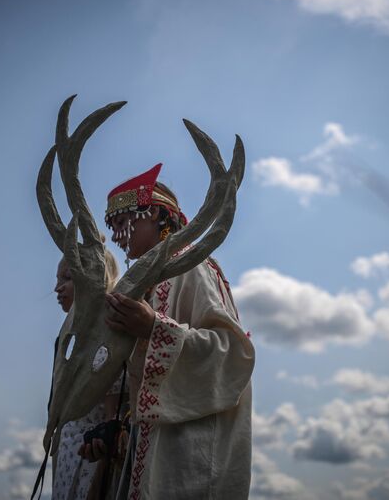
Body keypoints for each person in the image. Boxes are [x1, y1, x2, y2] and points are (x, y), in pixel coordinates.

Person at [80, 164, 255, 499]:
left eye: (122, 221)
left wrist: (153, 328)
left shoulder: (192, 267)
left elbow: (231, 353)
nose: (116, 234)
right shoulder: (153, 280)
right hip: (151, 446)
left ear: (157, 216)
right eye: (112, 225)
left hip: (189, 452)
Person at [52, 247, 125, 500]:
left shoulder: (104, 342)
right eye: (58, 279)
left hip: (88, 474)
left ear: (92, 277)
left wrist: (96, 489)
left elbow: (111, 426)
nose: (57, 288)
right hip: (69, 468)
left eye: (68, 278)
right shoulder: (75, 342)